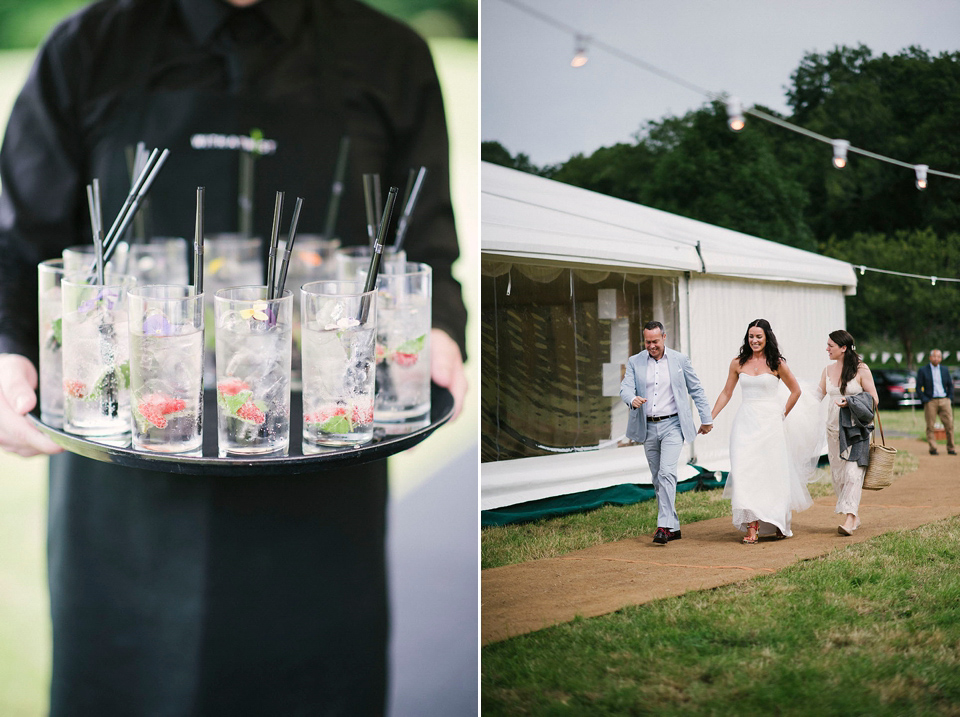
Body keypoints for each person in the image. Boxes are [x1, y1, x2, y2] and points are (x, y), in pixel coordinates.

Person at [0, 0, 469, 714]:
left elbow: (423, 249)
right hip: (124, 495)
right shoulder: (88, 47)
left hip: (321, 478)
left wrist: (435, 329)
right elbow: (16, 243)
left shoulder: (391, 56)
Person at [710, 319, 814, 544]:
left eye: (758, 336)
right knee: (745, 472)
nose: (754, 340)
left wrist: (782, 413)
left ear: (767, 337)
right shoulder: (738, 363)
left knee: (771, 474)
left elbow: (795, 391)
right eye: (751, 336)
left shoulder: (777, 364)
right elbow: (726, 393)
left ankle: (778, 521)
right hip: (745, 424)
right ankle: (752, 526)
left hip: (771, 425)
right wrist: (710, 417)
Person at [619, 321, 713, 545]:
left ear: (664, 337)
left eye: (655, 341)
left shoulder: (680, 360)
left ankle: (663, 526)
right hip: (648, 426)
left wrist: (706, 418)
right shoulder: (635, 361)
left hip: (673, 425)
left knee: (667, 473)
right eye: (647, 342)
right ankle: (675, 526)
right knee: (657, 478)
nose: (651, 346)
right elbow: (625, 388)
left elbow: (696, 389)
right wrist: (632, 399)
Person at [818, 330, 880, 536]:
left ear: (843, 348)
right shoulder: (827, 370)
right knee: (839, 476)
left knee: (853, 473)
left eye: (830, 345)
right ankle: (853, 514)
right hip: (833, 430)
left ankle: (850, 518)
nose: (827, 349)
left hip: (856, 431)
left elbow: (874, 399)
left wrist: (850, 402)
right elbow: (817, 395)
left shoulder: (861, 370)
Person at [916, 348, 955, 455]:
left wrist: (949, 398)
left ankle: (951, 448)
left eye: (938, 356)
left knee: (949, 425)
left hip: (944, 400)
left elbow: (950, 385)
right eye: (934, 356)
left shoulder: (945, 370)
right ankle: (933, 448)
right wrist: (924, 399)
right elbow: (918, 387)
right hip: (930, 401)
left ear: (941, 358)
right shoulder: (923, 370)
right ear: (930, 357)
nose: (936, 358)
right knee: (930, 426)